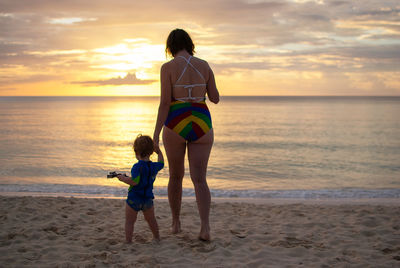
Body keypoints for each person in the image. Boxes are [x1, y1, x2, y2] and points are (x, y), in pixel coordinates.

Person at [153, 28, 220, 241]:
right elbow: (216, 98)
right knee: (200, 179)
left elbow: (165, 103)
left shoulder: (168, 68)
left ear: (170, 47)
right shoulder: (205, 65)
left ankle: (175, 223)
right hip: (201, 121)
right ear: (189, 44)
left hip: (176, 121)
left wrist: (155, 136)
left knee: (176, 175)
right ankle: (205, 228)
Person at [116, 134, 164, 243]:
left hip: (134, 198)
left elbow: (134, 181)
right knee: (151, 220)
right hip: (147, 199)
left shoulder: (137, 167)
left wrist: (123, 178)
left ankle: (128, 241)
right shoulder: (153, 166)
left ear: (136, 152)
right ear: (151, 152)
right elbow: (161, 163)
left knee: (129, 222)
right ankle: (157, 238)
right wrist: (159, 152)